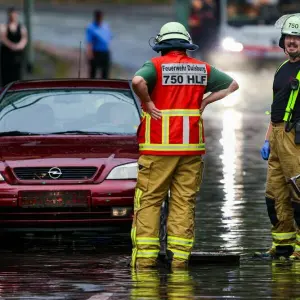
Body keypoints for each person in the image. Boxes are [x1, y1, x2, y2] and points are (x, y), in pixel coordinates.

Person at [130, 22, 239, 269]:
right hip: (190, 149)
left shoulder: (155, 66)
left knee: (149, 201)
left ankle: (146, 263)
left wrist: (147, 101)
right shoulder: (201, 68)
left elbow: (137, 81)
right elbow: (232, 85)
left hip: (158, 148)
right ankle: (179, 261)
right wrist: (206, 102)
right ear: (186, 45)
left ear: (162, 45)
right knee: (183, 202)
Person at [258, 14, 300, 260]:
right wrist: (267, 138)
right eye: (289, 38)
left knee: (298, 192)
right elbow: (276, 106)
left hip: (295, 138)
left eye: (297, 38)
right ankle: (282, 247)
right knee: (275, 194)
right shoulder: (283, 68)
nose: (292, 42)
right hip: (276, 135)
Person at [0, 6, 27, 87]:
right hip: (7, 55)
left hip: (18, 55)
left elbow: (24, 39)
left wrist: (19, 46)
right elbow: (3, 38)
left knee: (17, 76)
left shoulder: (21, 27)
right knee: (6, 76)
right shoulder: (4, 27)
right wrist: (12, 46)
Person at [85, 9, 112, 79]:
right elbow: (89, 42)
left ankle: (105, 87)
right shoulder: (91, 27)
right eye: (98, 16)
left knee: (105, 73)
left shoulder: (106, 26)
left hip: (105, 52)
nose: (100, 18)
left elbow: (109, 38)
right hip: (95, 52)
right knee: (93, 73)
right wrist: (89, 54)